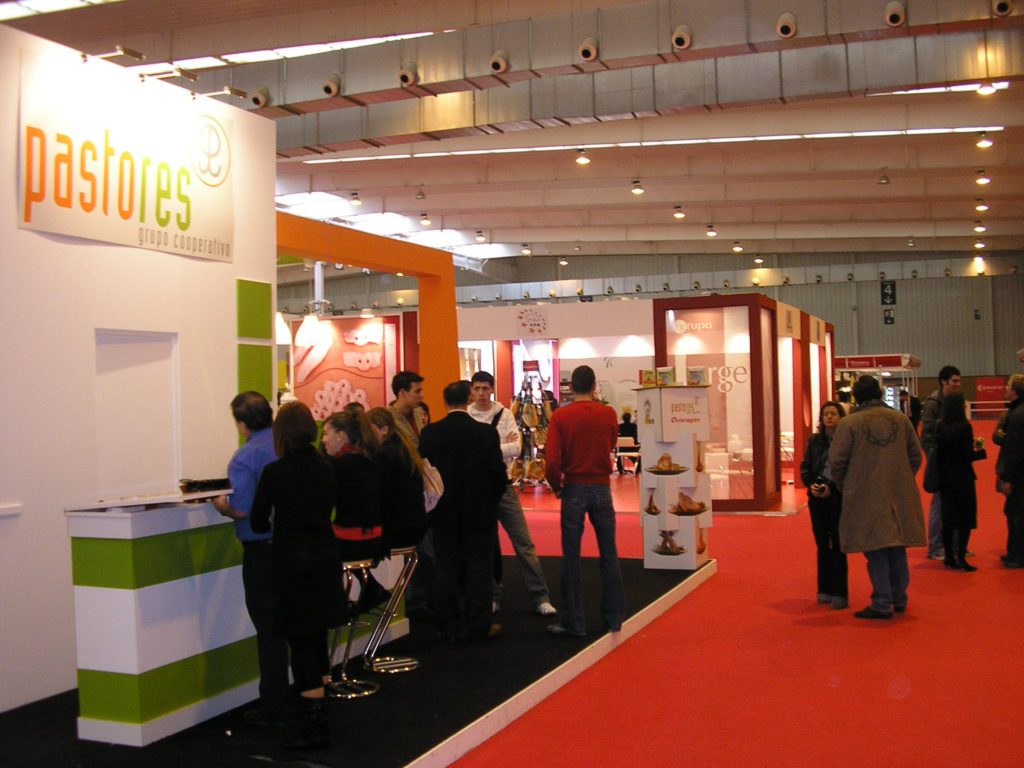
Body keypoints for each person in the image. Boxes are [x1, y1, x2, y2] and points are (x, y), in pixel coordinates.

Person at [250, 402, 345, 750]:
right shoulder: (326, 467)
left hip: (291, 562)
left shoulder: (275, 472)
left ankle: (314, 726)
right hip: (325, 556)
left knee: (301, 642)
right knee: (317, 636)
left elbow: (258, 521)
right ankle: (320, 709)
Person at [210, 392, 291, 728]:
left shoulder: (245, 456)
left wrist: (219, 505)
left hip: (263, 551)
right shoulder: (286, 445)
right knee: (294, 624)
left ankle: (275, 705)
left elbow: (241, 508)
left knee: (269, 629)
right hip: (294, 546)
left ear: (242, 423)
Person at [418, 380, 509, 641]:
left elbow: (424, 473)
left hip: (443, 512)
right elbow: (497, 473)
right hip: (478, 511)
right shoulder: (485, 433)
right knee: (479, 569)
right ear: (469, 399)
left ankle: (447, 625)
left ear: (445, 402)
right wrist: (491, 499)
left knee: (445, 568)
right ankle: (479, 625)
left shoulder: (430, 433)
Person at [829, 376, 925, 620]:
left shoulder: (850, 423)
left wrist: (845, 485)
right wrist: (902, 477)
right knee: (896, 547)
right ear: (880, 393)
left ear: (857, 397)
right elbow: (916, 455)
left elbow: (837, 461)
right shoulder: (900, 419)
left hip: (864, 493)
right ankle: (899, 598)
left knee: (875, 548)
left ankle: (882, 602)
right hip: (898, 493)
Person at [544, 365, 626, 637]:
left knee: (571, 557)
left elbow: (552, 460)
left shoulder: (561, 416)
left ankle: (574, 622)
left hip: (574, 488)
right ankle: (614, 618)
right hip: (602, 488)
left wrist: (557, 486)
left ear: (571, 387)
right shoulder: (608, 413)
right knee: (609, 554)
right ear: (594, 386)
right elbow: (611, 443)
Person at [467, 371, 556, 617]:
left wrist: (484, 448)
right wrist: (498, 446)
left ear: (491, 389)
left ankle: (540, 597)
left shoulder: (504, 414)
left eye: (485, 388)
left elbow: (516, 447)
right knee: (484, 546)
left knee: (524, 543)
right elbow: (470, 451)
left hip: (504, 486)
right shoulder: (467, 415)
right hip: (478, 489)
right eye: (477, 388)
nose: (481, 393)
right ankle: (492, 596)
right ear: (472, 390)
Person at [365, 407, 430, 611]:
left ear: (383, 429)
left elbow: (380, 495)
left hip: (399, 528)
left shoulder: (385, 454)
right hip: (413, 523)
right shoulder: (402, 448)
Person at [323, 411, 388, 611]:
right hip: (375, 539)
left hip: (351, 541)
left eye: (326, 433)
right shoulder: (368, 461)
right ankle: (369, 590)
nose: (323, 440)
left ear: (341, 436)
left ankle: (335, 607)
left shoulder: (336, 466)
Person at [799, 401, 848, 610]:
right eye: (826, 414)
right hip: (816, 498)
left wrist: (832, 488)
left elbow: (848, 470)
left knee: (837, 545)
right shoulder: (814, 441)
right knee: (821, 544)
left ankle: (840, 592)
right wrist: (811, 485)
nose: (829, 417)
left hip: (838, 498)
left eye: (833, 414)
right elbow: (805, 467)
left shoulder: (846, 440)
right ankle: (824, 589)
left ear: (840, 417)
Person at [933, 392, 986, 571]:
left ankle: (949, 557)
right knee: (965, 519)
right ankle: (961, 557)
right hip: (963, 478)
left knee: (948, 519)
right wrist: (981, 452)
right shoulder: (965, 427)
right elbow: (967, 455)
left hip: (945, 479)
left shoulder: (940, 426)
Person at [920, 365, 963, 561]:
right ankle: (936, 547)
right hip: (939, 462)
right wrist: (935, 459)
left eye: (959, 381)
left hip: (956, 462)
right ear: (944, 381)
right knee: (938, 506)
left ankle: (955, 545)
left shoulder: (957, 401)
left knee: (956, 505)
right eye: (954, 381)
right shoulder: (933, 404)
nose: (958, 384)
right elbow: (926, 436)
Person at [994, 374, 1024, 564]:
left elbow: (1014, 450)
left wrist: (1007, 478)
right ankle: (1014, 551)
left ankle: (1018, 555)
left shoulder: (1017, 414)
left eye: (1008, 386)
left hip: (1019, 474)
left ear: (1014, 391)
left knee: (1016, 515)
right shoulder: (1016, 411)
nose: (1005, 388)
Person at [388, 370, 429, 446]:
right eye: (417, 391)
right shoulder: (388, 418)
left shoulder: (418, 414)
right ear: (402, 393)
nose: (422, 395)